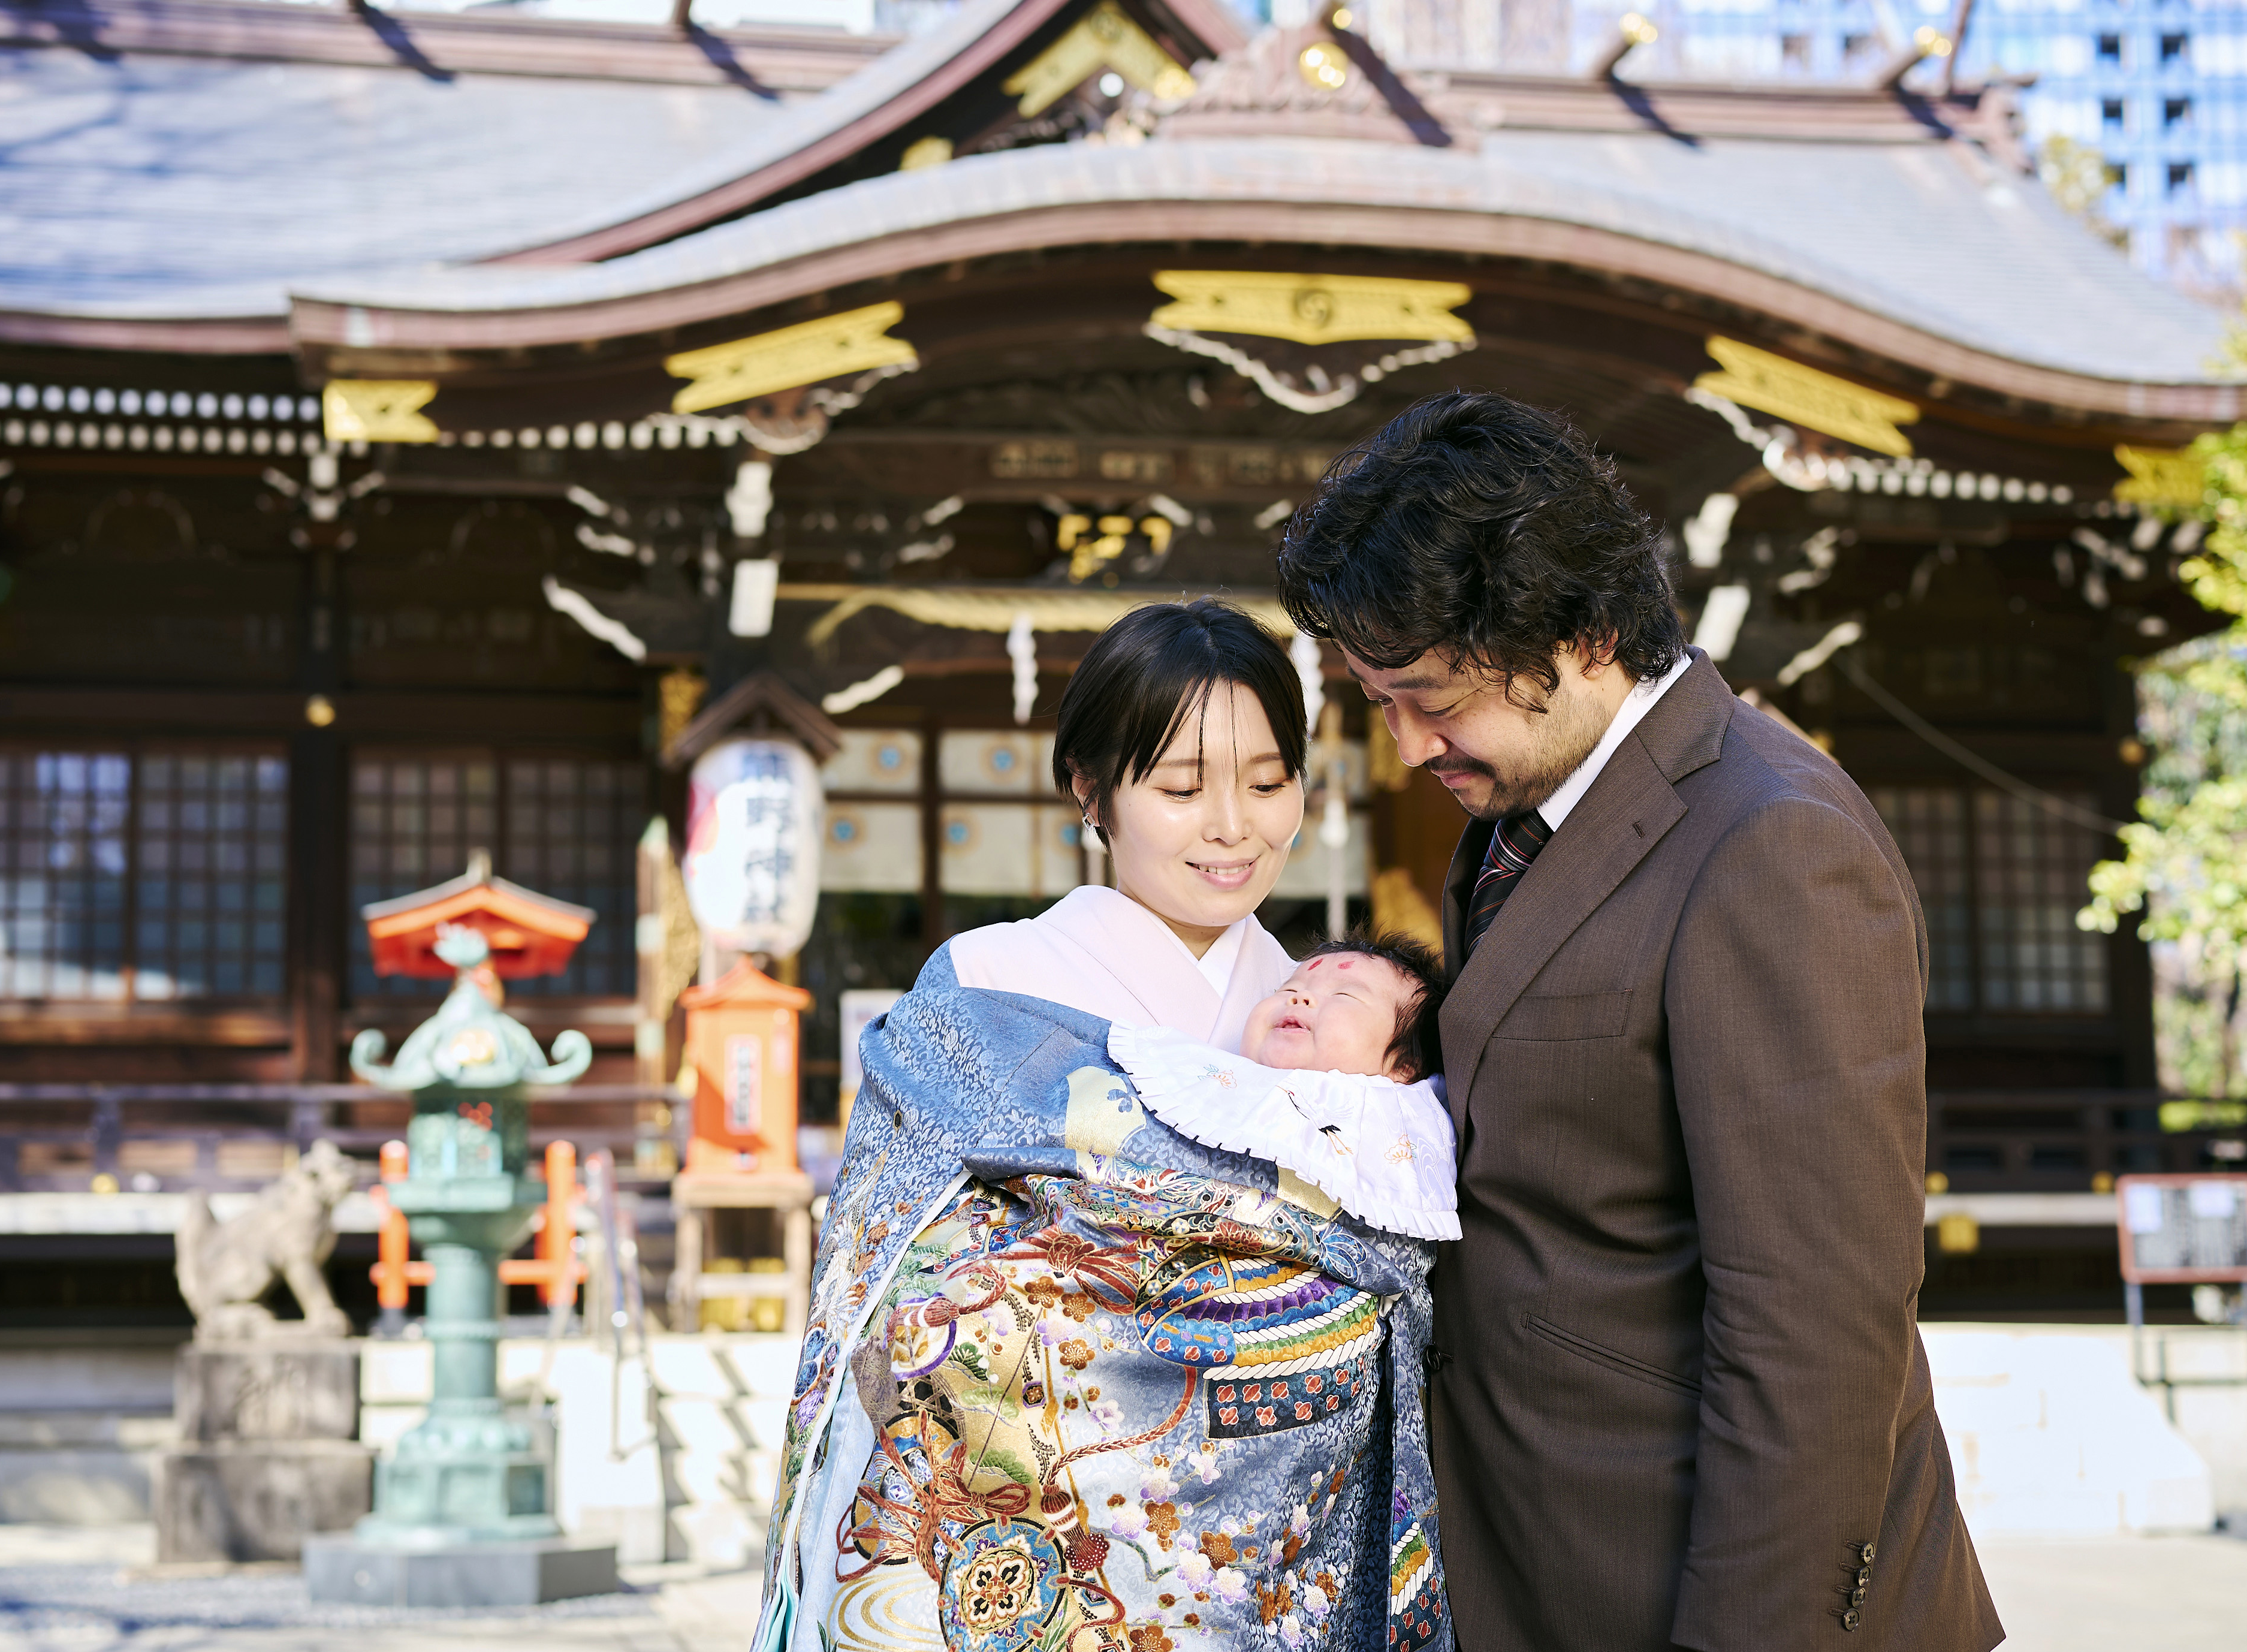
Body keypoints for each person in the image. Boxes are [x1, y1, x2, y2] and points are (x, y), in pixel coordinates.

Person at [1276, 391, 2001, 1650]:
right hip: (1550, 1560)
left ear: (1590, 628)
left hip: (1701, 1587)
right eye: (1378, 701)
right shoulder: (1524, 810)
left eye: (1433, 696)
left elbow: (1817, 1334)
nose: (1405, 747)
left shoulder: (1775, 845)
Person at [753, 601, 1456, 1652]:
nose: (1234, 826)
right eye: (1180, 788)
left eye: (1268, 783)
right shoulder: (984, 991)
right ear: (1092, 791)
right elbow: (885, 1282)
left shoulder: (1338, 1037)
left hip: (1263, 1586)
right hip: (1015, 1564)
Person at [1114, 933, 1460, 1239]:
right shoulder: (1208, 1077)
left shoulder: (1404, 1118)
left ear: (1404, 1066)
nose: (1299, 999)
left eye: (1344, 995)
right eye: (1289, 989)